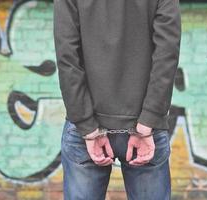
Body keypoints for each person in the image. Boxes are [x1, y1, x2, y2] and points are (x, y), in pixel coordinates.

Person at [53, 0, 181, 199]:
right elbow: (167, 54)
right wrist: (149, 120)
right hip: (145, 128)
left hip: (87, 130)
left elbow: (67, 57)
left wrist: (87, 126)